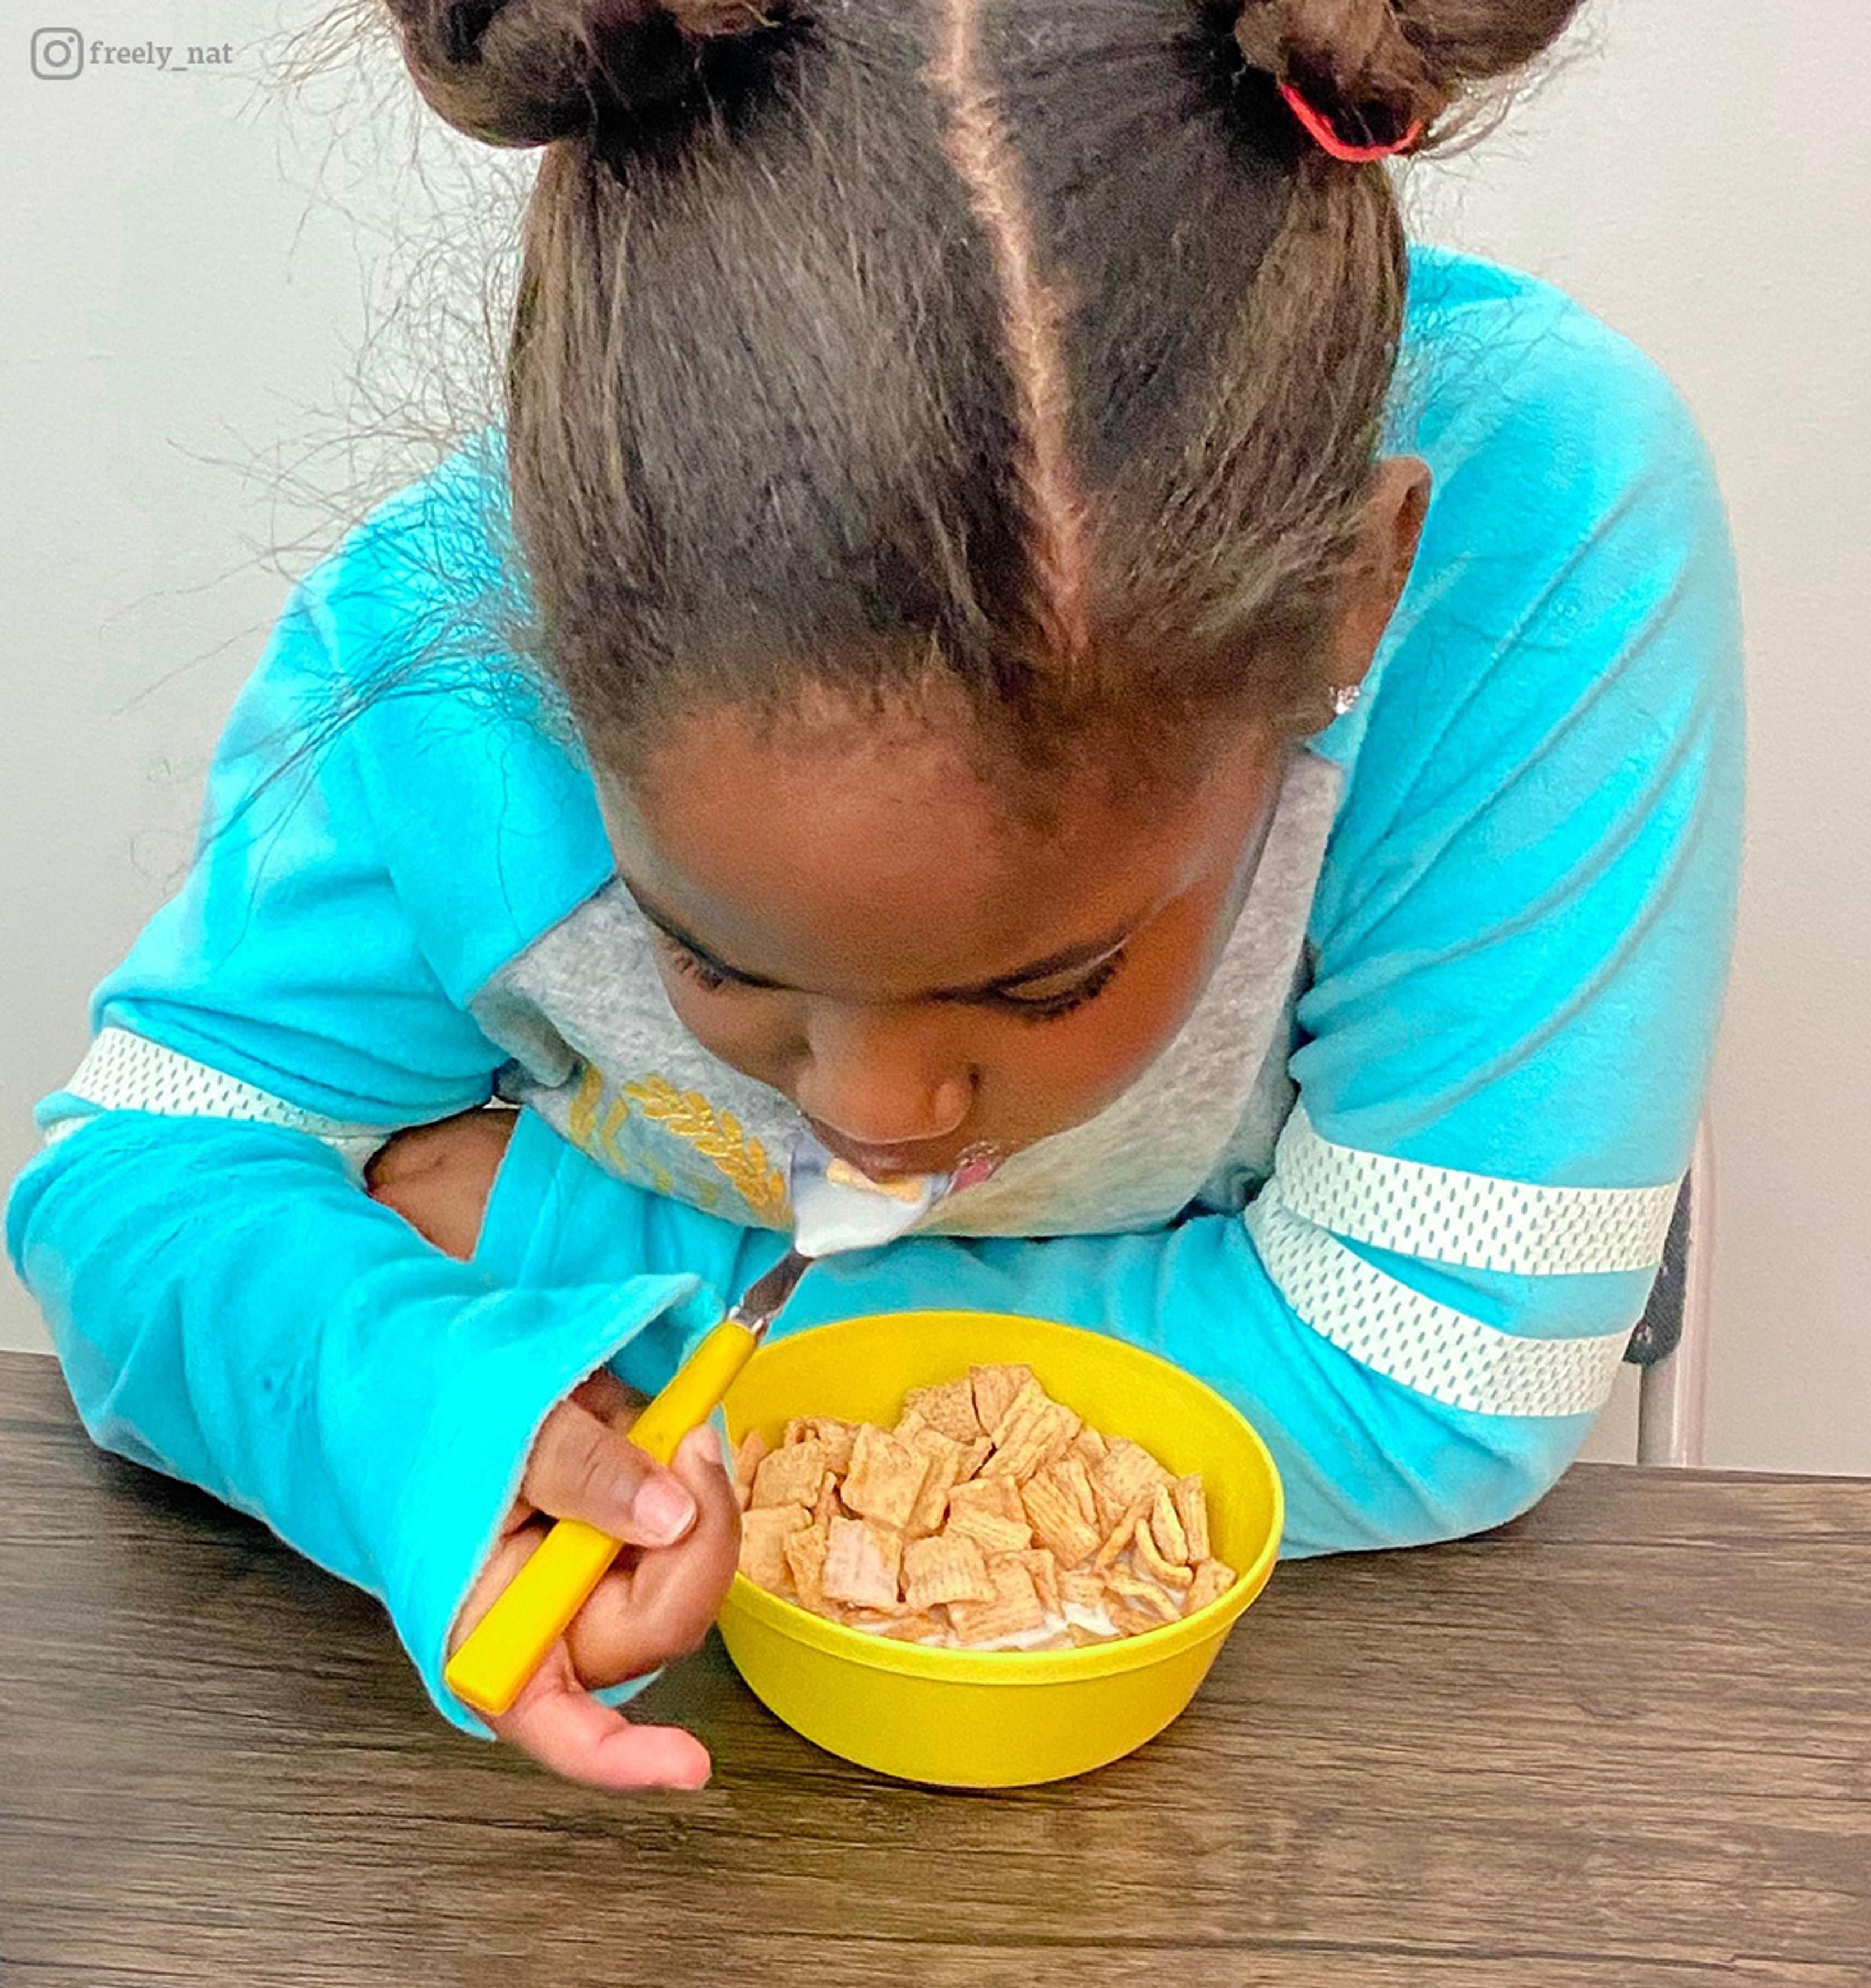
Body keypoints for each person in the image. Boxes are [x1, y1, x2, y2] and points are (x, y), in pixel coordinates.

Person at [6, 0, 1743, 1791]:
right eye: (712, 957)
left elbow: (1436, 1374)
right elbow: (135, 1175)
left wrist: (551, 1248)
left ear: (1350, 614)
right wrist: (412, 1410)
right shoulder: (445, 643)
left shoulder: (1529, 531)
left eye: (1046, 984)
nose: (880, 1125)